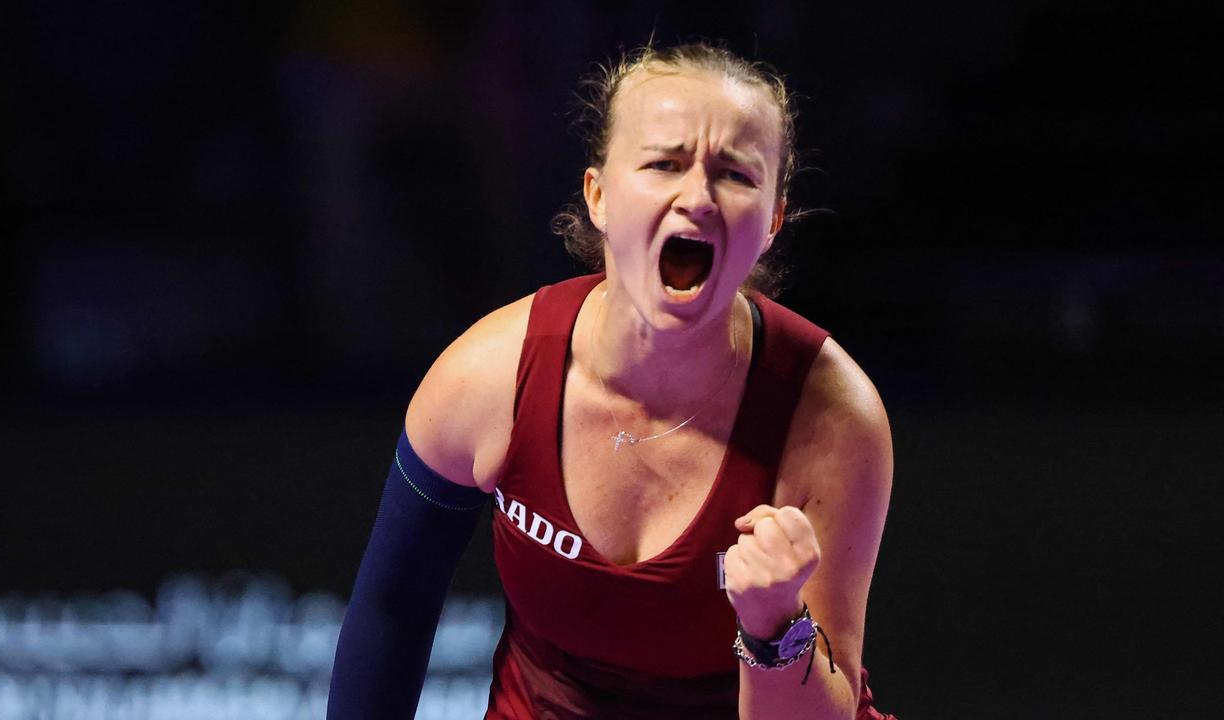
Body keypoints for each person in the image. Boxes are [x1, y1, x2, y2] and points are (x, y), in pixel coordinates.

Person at [327, 41, 896, 720]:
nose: (698, 198)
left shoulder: (832, 415)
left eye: (737, 175)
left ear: (773, 220)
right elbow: (393, 608)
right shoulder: (489, 376)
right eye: (664, 163)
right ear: (598, 196)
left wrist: (775, 628)